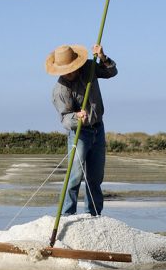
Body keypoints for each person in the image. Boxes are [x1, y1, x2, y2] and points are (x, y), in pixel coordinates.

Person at [45, 44, 118, 216]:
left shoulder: (89, 68)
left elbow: (111, 72)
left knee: (95, 177)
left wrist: (103, 57)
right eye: (65, 71)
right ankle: (67, 215)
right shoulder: (60, 90)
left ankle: (94, 215)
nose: (69, 73)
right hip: (80, 133)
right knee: (74, 176)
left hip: (98, 129)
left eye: (71, 69)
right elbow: (65, 118)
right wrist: (76, 117)